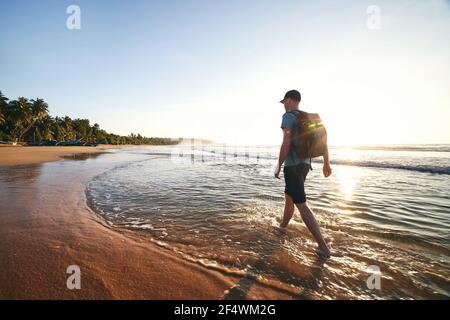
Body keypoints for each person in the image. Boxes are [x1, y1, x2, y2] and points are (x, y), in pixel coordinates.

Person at [274, 89, 332, 258]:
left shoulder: (288, 117)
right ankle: (283, 227)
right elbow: (323, 141)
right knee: (289, 197)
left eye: (284, 101)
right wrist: (326, 163)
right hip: (305, 164)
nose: (284, 105)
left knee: (301, 203)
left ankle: (323, 246)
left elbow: (286, 142)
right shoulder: (308, 117)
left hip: (292, 166)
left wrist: (278, 165)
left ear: (290, 100)